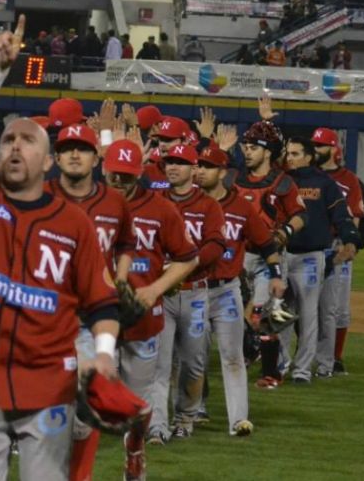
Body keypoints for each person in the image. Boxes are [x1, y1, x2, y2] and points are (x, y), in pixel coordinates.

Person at [0, 16, 121, 481]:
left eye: (27, 141)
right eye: (7, 141)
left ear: (47, 160)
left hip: (49, 387)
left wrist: (103, 354)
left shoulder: (73, 224)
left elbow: (101, 300)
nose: (15, 147)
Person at [43, 123, 137, 481]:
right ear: (55, 157)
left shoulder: (114, 201)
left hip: (93, 320)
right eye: (67, 148)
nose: (74, 154)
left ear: (96, 157)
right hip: (47, 320)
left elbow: (126, 243)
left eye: (82, 148)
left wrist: (122, 277)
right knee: (47, 412)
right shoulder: (40, 194)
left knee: (85, 416)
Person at [103, 138, 198, 454]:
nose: (119, 181)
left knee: (142, 388)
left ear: (139, 172)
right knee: (85, 379)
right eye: (114, 174)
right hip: (96, 313)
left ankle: (146, 436)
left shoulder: (161, 208)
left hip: (143, 314)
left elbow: (188, 257)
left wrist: (154, 289)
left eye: (127, 175)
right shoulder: (89, 205)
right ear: (104, 170)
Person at [195, 142, 282, 435]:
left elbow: (267, 244)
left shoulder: (241, 207)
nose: (199, 171)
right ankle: (194, 410)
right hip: (191, 290)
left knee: (232, 356)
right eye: (198, 165)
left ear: (223, 173)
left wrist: (277, 275)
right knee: (193, 356)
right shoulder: (185, 203)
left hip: (226, 291)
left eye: (206, 166)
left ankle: (238, 420)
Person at [149, 144, 227, 442]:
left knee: (194, 363)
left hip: (195, 293)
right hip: (163, 295)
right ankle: (157, 425)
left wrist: (187, 261)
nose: (173, 167)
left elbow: (216, 244)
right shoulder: (154, 203)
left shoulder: (209, 206)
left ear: (193, 169)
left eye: (181, 162)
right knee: (160, 362)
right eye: (169, 162)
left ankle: (186, 417)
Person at [232, 95, 307, 390]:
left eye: (253, 148)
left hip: (270, 257)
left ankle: (272, 372)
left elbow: (301, 215)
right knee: (238, 314)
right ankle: (256, 355)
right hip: (239, 256)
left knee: (266, 316)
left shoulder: (282, 181)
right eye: (246, 147)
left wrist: (284, 233)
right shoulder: (234, 178)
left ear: (268, 152)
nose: (247, 152)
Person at [280, 136, 359, 384]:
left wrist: (350, 240)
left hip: (311, 257)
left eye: (295, 153)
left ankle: (302, 370)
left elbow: (341, 215)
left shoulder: (324, 183)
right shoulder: (282, 181)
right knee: (280, 314)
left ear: (308, 156)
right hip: (282, 254)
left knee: (309, 314)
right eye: (287, 153)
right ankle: (280, 366)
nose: (289, 158)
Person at [312, 128, 364, 376]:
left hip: (338, 245)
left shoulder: (349, 179)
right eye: (313, 145)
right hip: (312, 246)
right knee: (307, 306)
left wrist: (349, 245)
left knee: (339, 308)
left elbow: (355, 216)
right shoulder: (308, 176)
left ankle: (335, 358)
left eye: (320, 145)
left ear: (334, 149)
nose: (315, 150)